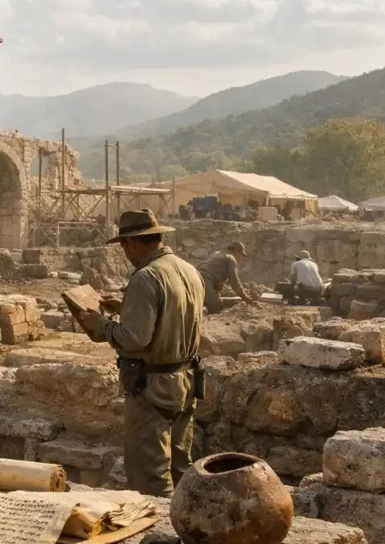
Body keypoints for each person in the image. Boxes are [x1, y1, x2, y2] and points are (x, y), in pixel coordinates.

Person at [79, 210, 205, 497]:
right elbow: (172, 316)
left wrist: (102, 325)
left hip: (153, 388)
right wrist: (127, 308)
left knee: (150, 475)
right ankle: (185, 518)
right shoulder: (188, 270)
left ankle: (159, 523)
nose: (126, 254)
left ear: (133, 244)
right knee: (180, 465)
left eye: (125, 247)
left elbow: (134, 339)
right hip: (186, 381)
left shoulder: (145, 277)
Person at [199, 241, 256, 314]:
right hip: (206, 280)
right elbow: (234, 282)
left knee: (209, 300)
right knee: (216, 305)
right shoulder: (231, 259)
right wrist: (245, 297)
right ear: (237, 252)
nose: (241, 258)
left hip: (197, 277)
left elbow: (202, 265)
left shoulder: (216, 253)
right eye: (241, 255)